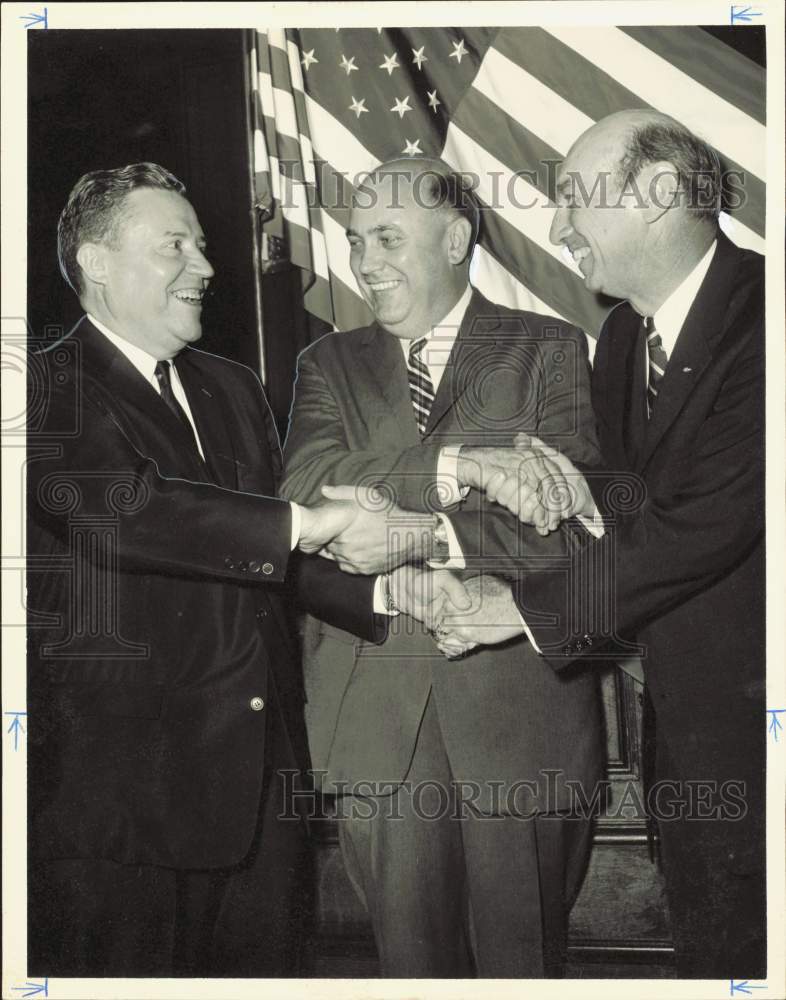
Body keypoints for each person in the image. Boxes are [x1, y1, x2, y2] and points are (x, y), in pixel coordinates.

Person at [26, 162, 389, 977]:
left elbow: (267, 561)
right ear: (94, 261)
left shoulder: (233, 387)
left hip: (261, 793)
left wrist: (394, 587)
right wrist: (313, 520)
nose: (207, 266)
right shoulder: (40, 388)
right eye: (174, 246)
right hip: (125, 808)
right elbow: (130, 510)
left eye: (202, 243)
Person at [434, 111, 767, 978]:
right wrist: (583, 499)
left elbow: (712, 519)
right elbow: (643, 504)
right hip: (689, 753)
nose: (557, 226)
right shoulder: (623, 337)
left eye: (576, 197)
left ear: (660, 195)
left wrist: (521, 608)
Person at [280, 157, 605, 977]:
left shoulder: (550, 350)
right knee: (411, 973)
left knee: (521, 968)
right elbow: (305, 490)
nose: (364, 263)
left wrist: (424, 533)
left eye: (387, 237)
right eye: (356, 242)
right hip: (378, 723)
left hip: (518, 721)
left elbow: (574, 527)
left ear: (457, 238)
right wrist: (462, 468)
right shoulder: (326, 363)